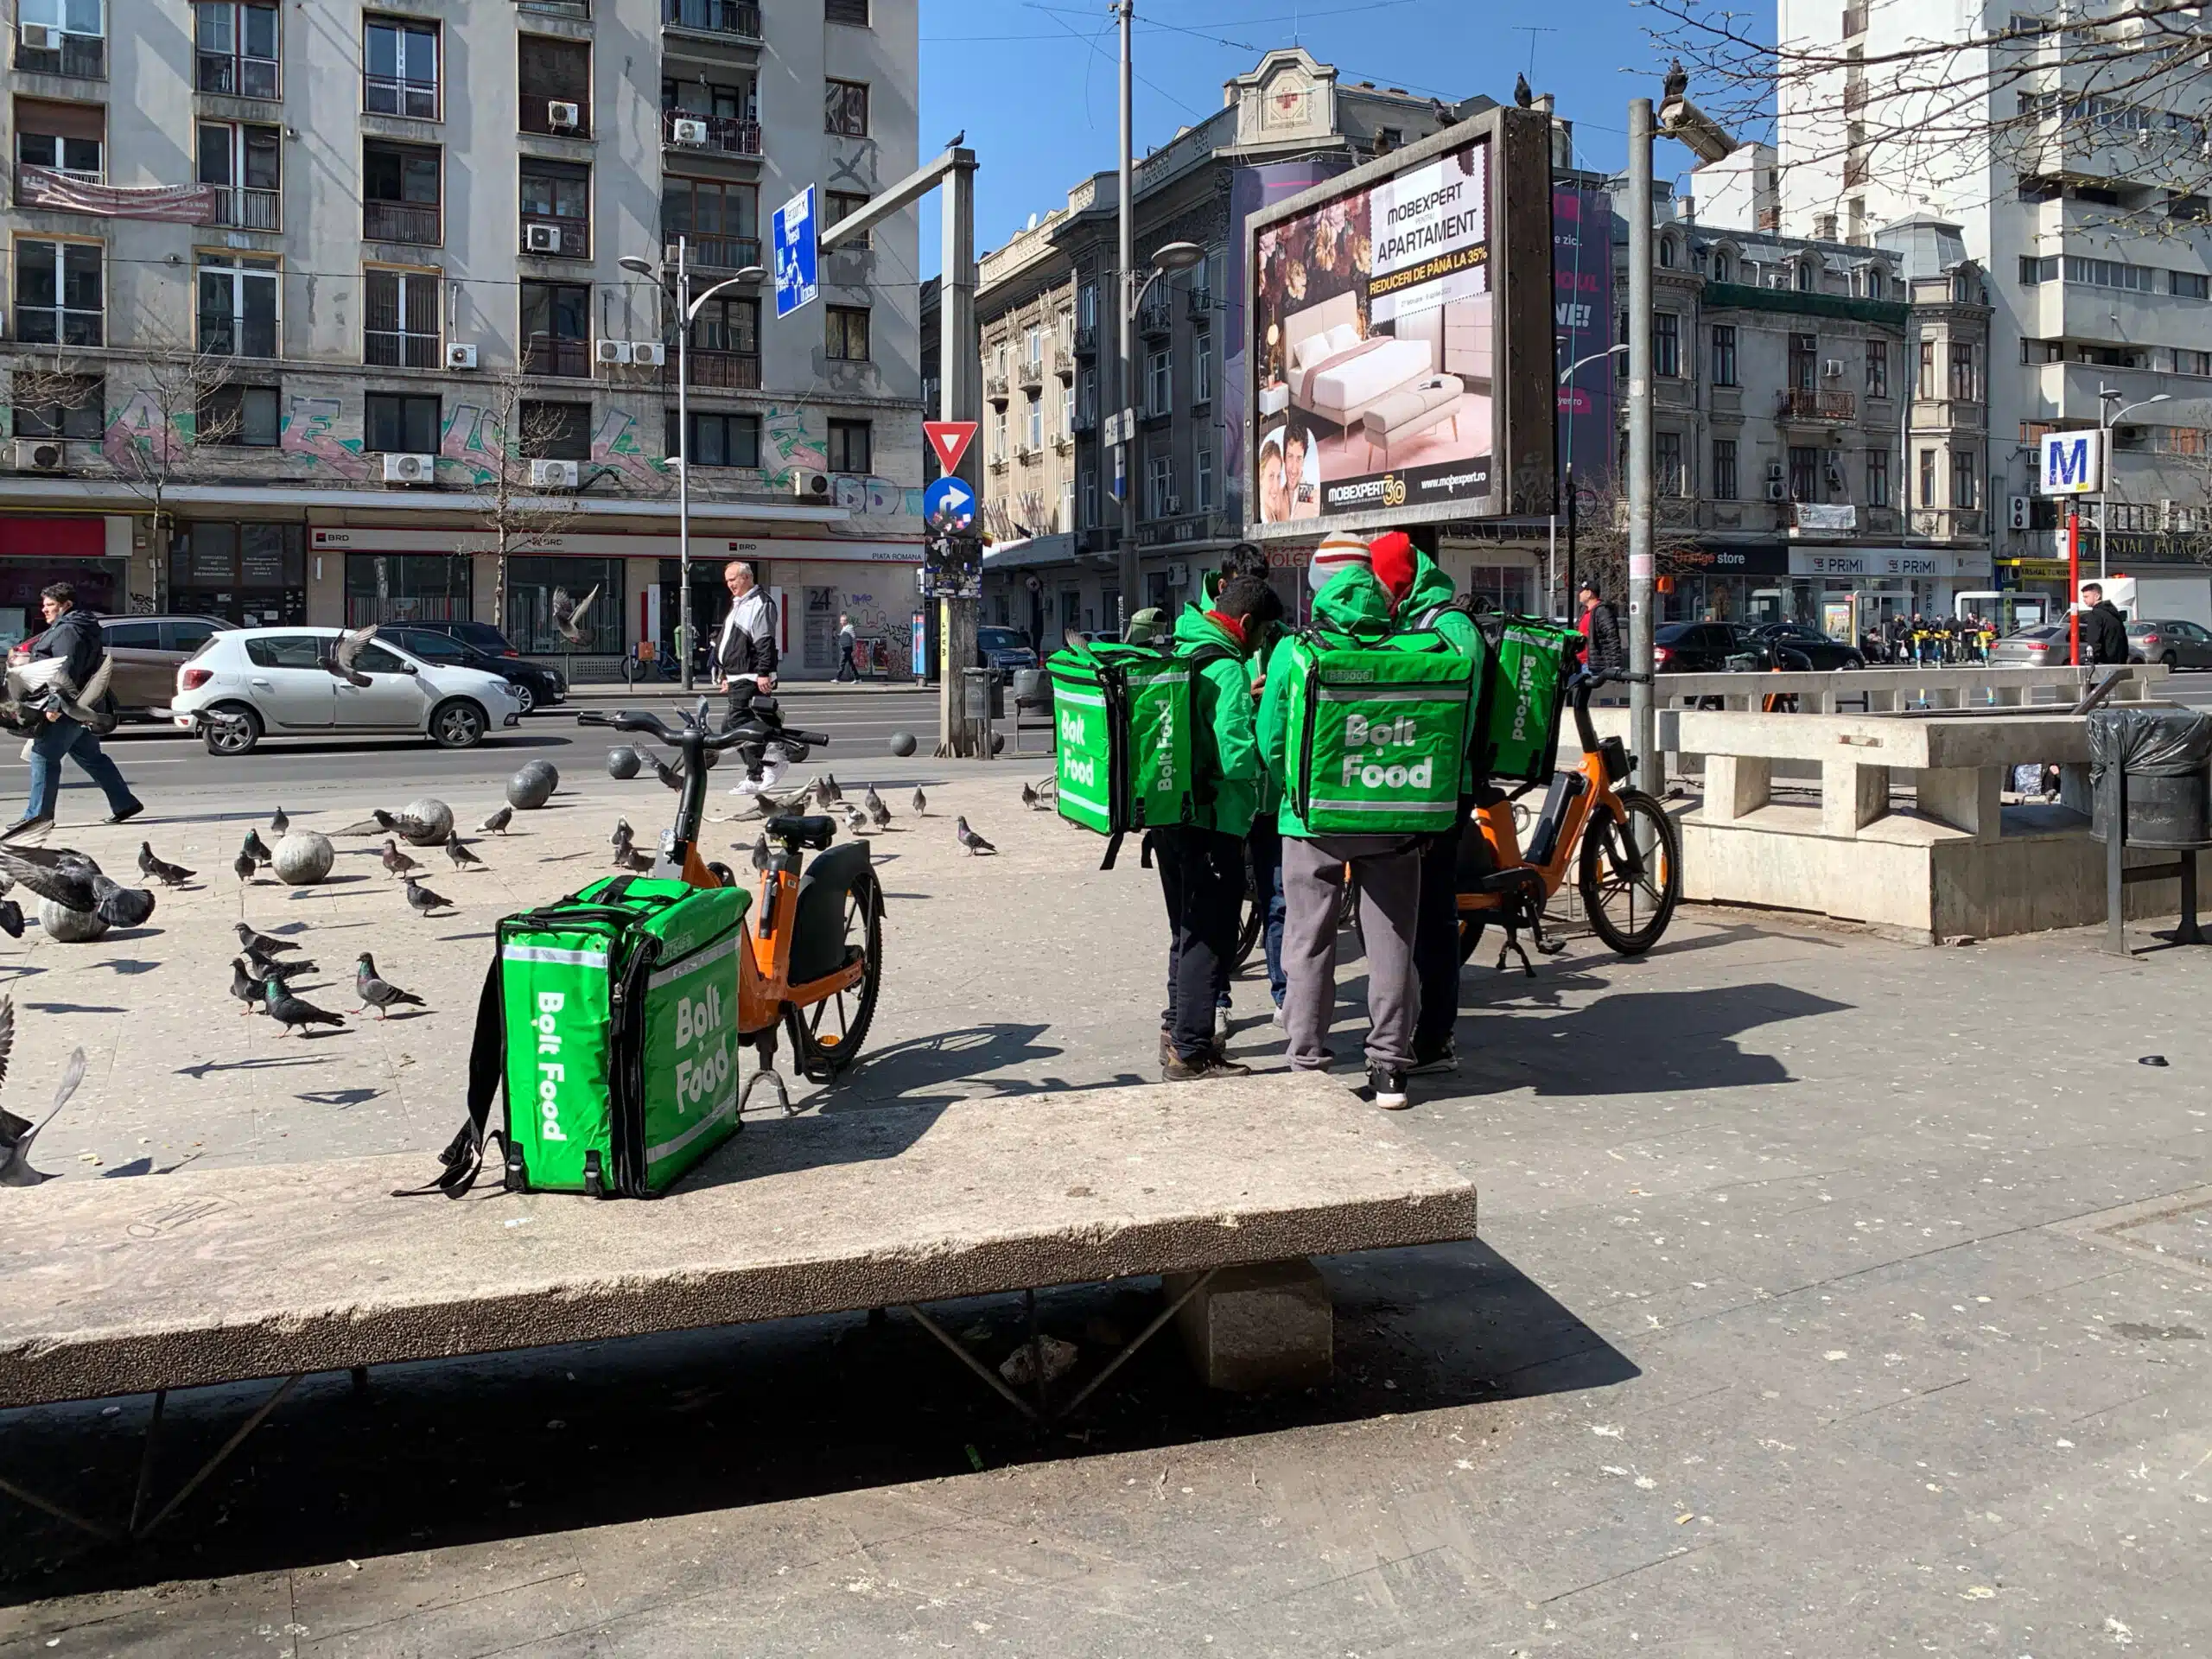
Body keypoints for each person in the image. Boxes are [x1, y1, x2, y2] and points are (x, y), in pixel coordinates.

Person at [1258, 535, 1426, 1110]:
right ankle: (1389, 1071)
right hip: (1393, 814)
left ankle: (1307, 1062)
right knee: (1392, 943)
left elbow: (1270, 739)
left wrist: (1293, 791)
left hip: (1311, 819)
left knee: (1307, 942)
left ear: (1318, 593)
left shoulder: (1294, 652)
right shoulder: (1409, 647)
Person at [1156, 574, 1271, 1082]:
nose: (1261, 645)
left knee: (1186, 928)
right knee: (1209, 936)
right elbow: (1236, 756)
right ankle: (1193, 1052)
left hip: (1171, 816)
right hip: (1212, 821)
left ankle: (1175, 1031)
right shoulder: (1225, 667)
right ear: (1245, 623)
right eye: (1262, 634)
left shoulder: (1184, 644)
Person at [1382, 532, 1483, 1077]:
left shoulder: (1451, 627)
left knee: (1434, 916)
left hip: (1442, 790)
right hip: (1410, 787)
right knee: (1410, 913)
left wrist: (1433, 782)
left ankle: (1437, 1034)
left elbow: (1454, 718)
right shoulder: (1410, 623)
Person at [9, 583, 140, 837]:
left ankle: (38, 816)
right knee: (91, 757)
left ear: (66, 605)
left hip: (69, 705)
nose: (44, 610)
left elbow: (65, 669)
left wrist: (56, 706)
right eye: (44, 605)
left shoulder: (69, 631)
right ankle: (125, 803)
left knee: (43, 756)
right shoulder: (76, 627)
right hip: (82, 706)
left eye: (50, 605)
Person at [715, 560, 783, 794]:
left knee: (738, 723)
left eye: (733, 579)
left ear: (746, 577)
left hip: (751, 675)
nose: (730, 584)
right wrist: (725, 673)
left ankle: (769, 762)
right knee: (730, 726)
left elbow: (765, 641)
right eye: (727, 581)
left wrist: (763, 672)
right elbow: (729, 641)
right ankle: (756, 775)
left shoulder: (760, 603)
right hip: (737, 675)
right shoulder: (739, 604)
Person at [1576, 579, 1624, 677]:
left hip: (1594, 666)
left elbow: (1612, 637)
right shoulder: (1584, 611)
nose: (1579, 594)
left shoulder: (1602, 611)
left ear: (1589, 593)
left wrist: (1615, 665)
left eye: (1581, 591)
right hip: (1580, 664)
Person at [2077, 581, 2130, 664]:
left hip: (2104, 662)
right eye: (2083, 597)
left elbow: (2094, 641)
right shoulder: (2113, 613)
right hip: (2119, 660)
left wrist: (2092, 659)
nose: (2084, 600)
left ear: (2097, 596)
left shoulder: (2096, 614)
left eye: (2086, 596)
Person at [834, 613, 858, 681]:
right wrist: (836, 635)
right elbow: (841, 638)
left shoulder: (849, 627)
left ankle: (837, 678)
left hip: (847, 648)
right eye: (840, 620)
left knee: (842, 663)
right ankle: (858, 678)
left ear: (845, 621)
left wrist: (854, 649)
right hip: (845, 648)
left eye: (841, 620)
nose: (840, 622)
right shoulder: (844, 628)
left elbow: (853, 638)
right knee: (851, 664)